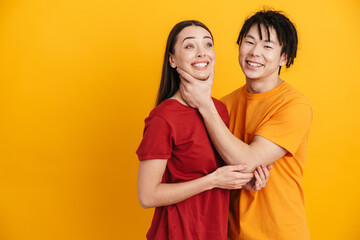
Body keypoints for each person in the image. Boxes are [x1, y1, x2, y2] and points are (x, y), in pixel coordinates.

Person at [178, 10, 312, 240]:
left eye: (267, 46)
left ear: (283, 57)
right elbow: (210, 169)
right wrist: (243, 179)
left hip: (280, 233)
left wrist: (204, 104)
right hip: (228, 232)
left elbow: (247, 160)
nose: (254, 52)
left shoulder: (294, 105)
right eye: (249, 42)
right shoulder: (225, 104)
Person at [136, 20, 272, 240]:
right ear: (172, 60)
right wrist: (214, 180)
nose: (201, 53)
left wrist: (243, 182)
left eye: (208, 45)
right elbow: (147, 195)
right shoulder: (163, 117)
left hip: (214, 232)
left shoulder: (219, 110)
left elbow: (216, 171)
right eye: (190, 46)